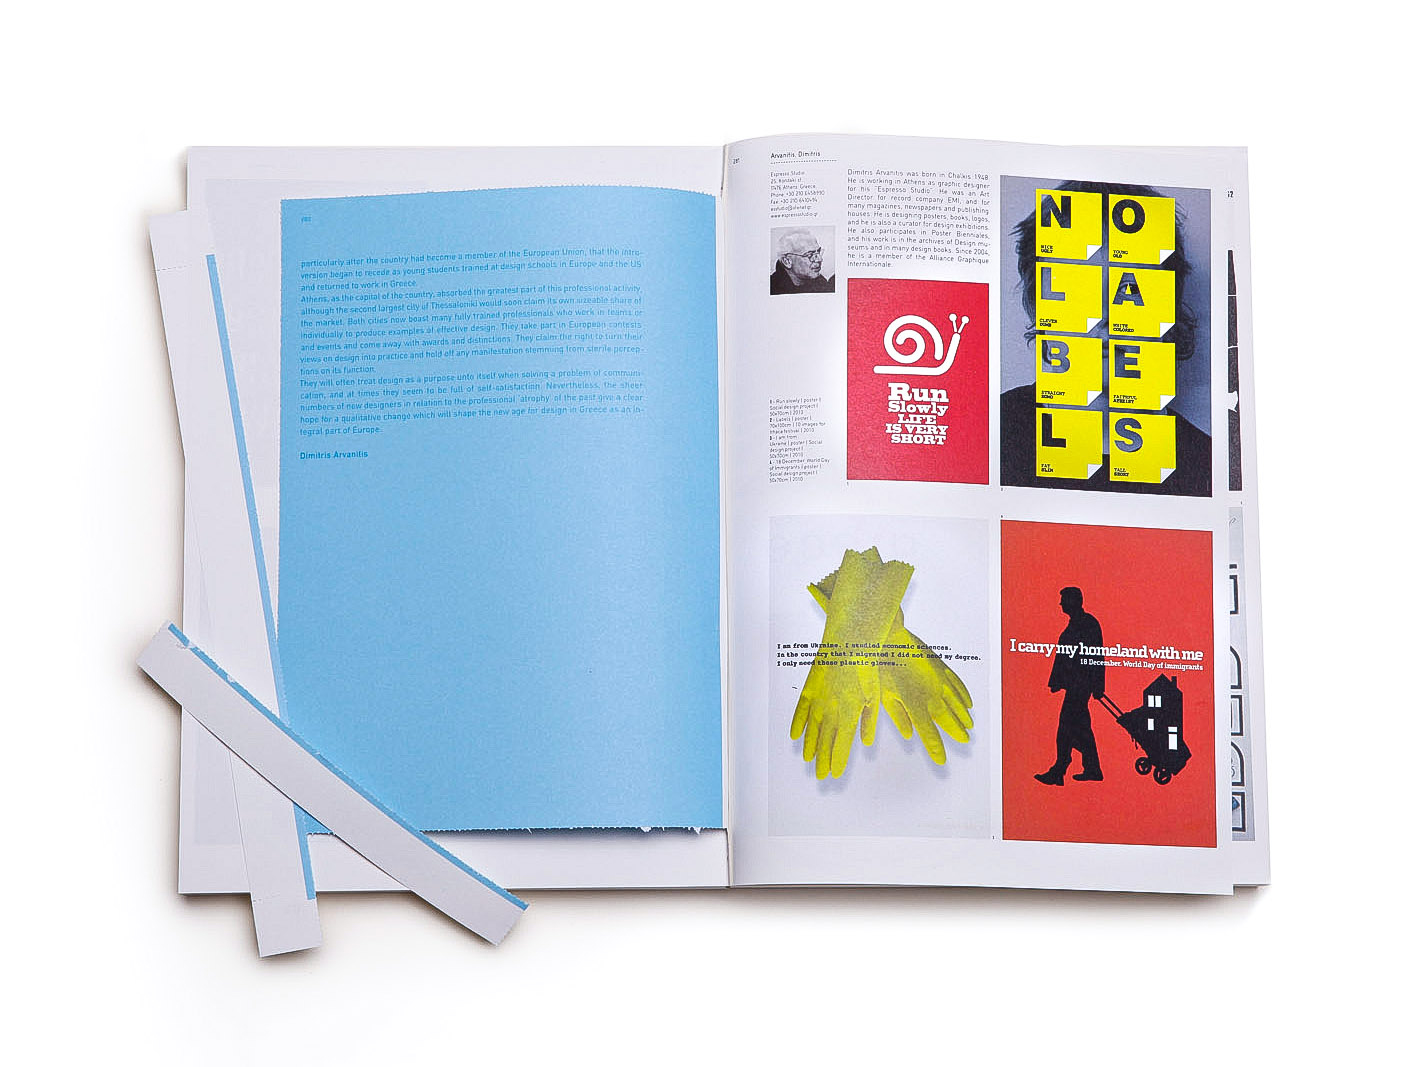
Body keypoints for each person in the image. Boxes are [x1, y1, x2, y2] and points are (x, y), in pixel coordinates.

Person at [999, 181, 1210, 496]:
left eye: (1131, 288)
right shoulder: (987, 434)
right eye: (1077, 288)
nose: (1104, 316)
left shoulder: (1207, 467)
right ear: (1037, 305)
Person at [1035, 587, 1106, 786]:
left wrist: (1097, 685)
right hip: (1077, 686)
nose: (1061, 604)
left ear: (1074, 601)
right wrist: (1057, 681)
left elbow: (1096, 657)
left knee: (1066, 729)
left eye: (1064, 600)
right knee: (1080, 729)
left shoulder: (1087, 624)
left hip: (1080, 687)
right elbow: (1066, 656)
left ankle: (1059, 770)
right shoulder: (1077, 623)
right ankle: (1091, 768)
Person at [770, 230, 835, 294]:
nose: (819, 259)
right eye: (809, 255)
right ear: (787, 261)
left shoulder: (820, 282)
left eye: (818, 252)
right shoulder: (772, 288)